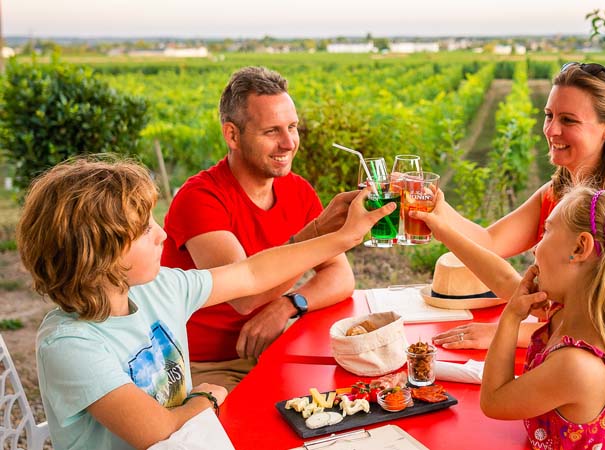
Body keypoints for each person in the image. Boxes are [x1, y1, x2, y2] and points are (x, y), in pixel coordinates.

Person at [17, 157, 391, 450]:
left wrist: (344, 236)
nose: (162, 233)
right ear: (100, 253)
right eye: (145, 228)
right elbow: (158, 431)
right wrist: (207, 397)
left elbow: (252, 274)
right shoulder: (71, 344)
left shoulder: (157, 288)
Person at [413, 62, 605, 449]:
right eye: (549, 116)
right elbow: (489, 241)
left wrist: (509, 334)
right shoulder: (560, 191)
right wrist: (437, 212)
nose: (551, 131)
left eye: (568, 119)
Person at [161, 66, 358, 392]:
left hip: (275, 349)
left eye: (292, 127)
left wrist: (288, 305)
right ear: (232, 135)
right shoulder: (200, 198)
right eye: (271, 132)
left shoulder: (298, 191)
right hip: (205, 366)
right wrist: (319, 230)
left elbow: (340, 276)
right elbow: (244, 295)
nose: (288, 143)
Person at [476, 186, 605, 449]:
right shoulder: (570, 317)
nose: (535, 248)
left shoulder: (576, 365)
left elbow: (493, 401)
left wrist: (511, 317)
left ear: (580, 248)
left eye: (546, 232)